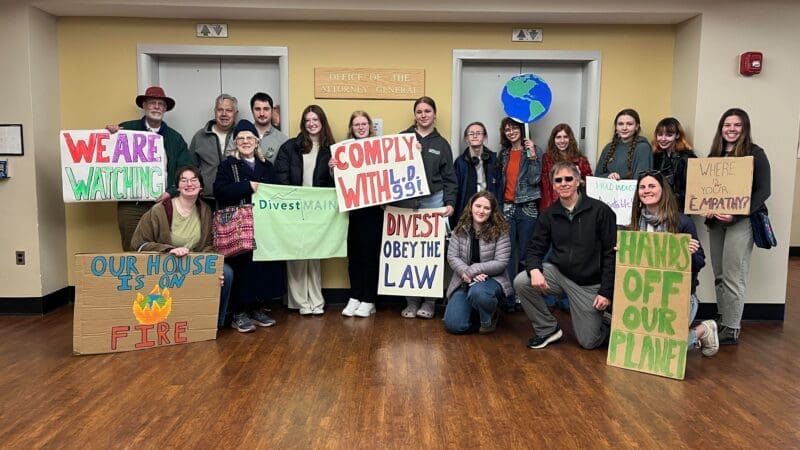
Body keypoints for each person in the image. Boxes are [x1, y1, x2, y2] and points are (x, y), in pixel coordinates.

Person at [513, 161, 616, 350]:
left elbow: (611, 255)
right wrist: (534, 269)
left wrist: (606, 292)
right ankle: (547, 329)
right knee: (522, 281)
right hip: (559, 275)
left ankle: (607, 318)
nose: (564, 183)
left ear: (578, 181)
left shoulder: (601, 211)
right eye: (558, 180)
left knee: (589, 342)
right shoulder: (549, 215)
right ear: (553, 185)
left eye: (568, 178)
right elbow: (535, 248)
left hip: (589, 284)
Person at [628, 170, 719, 356]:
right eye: (642, 187)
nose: (646, 190)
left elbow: (699, 263)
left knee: (666, 350)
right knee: (640, 345)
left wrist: (689, 254)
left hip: (678, 295)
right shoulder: (633, 224)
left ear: (663, 190)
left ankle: (703, 330)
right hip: (645, 296)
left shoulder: (682, 222)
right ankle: (696, 333)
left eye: (652, 186)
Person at [130, 166, 233, 329]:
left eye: (194, 180)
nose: (189, 184)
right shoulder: (159, 210)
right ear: (177, 186)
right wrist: (168, 250)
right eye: (183, 180)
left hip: (194, 264)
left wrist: (211, 267)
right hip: (165, 263)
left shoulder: (205, 210)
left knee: (225, 273)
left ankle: (212, 324)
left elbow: (208, 245)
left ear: (201, 186)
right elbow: (138, 244)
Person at [705, 108, 771, 345]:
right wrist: (708, 206)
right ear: (721, 128)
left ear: (745, 128)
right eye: (727, 125)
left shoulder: (755, 154)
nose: (731, 129)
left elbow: (764, 190)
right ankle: (723, 318)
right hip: (716, 223)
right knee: (719, 273)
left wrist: (735, 213)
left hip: (741, 222)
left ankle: (732, 328)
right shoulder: (715, 156)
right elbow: (706, 190)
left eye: (736, 125)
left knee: (734, 274)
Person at [214, 120, 286, 332]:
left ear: (257, 141)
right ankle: (239, 313)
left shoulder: (267, 166)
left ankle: (256, 308)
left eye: (250, 138)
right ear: (235, 142)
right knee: (242, 268)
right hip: (240, 228)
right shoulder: (228, 166)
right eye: (241, 138)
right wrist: (247, 186)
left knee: (261, 269)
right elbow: (220, 190)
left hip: (264, 227)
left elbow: (277, 192)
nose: (246, 142)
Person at [106, 86, 192, 251]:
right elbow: (104, 155)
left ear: (165, 109)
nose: (157, 107)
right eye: (152, 103)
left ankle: (157, 279)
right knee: (132, 248)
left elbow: (185, 170)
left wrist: (171, 192)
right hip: (131, 204)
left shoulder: (175, 139)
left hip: (162, 203)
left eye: (161, 104)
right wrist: (109, 135)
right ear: (144, 106)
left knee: (163, 249)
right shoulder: (126, 130)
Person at [397, 96, 457, 319]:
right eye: (419, 111)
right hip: (406, 202)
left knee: (431, 253)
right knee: (407, 252)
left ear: (434, 114)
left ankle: (430, 302)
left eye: (427, 111)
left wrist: (450, 203)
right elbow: (388, 172)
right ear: (415, 115)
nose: (423, 115)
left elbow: (450, 178)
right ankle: (411, 302)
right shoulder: (402, 139)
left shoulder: (442, 144)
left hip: (433, 201)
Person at [275, 105, 335, 315]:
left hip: (318, 210)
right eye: (308, 119)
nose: (311, 123)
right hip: (295, 208)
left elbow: (336, 184)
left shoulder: (331, 148)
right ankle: (301, 302)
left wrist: (334, 170)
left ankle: (317, 301)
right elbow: (281, 177)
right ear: (303, 122)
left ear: (322, 122)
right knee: (297, 254)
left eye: (315, 119)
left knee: (315, 253)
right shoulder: (289, 147)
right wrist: (292, 202)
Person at [334, 111, 384, 318]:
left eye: (364, 124)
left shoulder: (379, 149)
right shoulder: (343, 150)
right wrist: (333, 168)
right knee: (353, 255)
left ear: (370, 126)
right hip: (352, 211)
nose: (361, 127)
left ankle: (369, 299)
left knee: (369, 256)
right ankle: (355, 295)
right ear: (352, 127)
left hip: (373, 212)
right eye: (357, 124)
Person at [443, 191, 512, 334]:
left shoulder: (501, 232)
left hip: (491, 280)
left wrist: (473, 270)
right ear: (471, 207)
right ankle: (476, 312)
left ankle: (488, 319)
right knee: (454, 326)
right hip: (464, 280)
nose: (481, 211)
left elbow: (501, 262)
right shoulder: (460, 230)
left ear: (492, 211)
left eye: (486, 208)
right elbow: (452, 257)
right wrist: (467, 273)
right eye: (478, 206)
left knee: (479, 292)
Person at [496, 117, 544, 286]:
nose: (511, 132)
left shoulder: (534, 150)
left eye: (514, 128)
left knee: (526, 253)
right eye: (507, 129)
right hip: (507, 207)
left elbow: (534, 180)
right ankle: (509, 292)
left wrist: (532, 157)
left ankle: (523, 293)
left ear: (522, 129)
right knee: (507, 253)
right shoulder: (504, 154)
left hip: (527, 207)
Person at [189, 94, 238, 209]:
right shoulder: (199, 136)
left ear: (236, 113)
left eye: (229, 110)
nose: (224, 114)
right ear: (215, 111)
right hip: (205, 201)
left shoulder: (242, 137)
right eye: (220, 110)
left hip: (235, 201)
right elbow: (191, 168)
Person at [452, 122, 499, 228]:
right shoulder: (460, 162)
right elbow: (455, 189)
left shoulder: (493, 160)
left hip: (488, 208)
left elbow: (499, 187)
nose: (475, 136)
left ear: (484, 137)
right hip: (466, 209)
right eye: (471, 133)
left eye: (478, 133)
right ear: (466, 138)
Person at [540, 123, 593, 211]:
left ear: (570, 139)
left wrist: (579, 180)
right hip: (553, 204)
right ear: (553, 140)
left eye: (565, 137)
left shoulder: (581, 160)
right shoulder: (546, 159)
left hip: (575, 206)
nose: (562, 141)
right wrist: (548, 210)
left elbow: (590, 185)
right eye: (558, 137)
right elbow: (545, 187)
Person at [651, 117, 697, 211]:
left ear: (677, 135)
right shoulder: (654, 157)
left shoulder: (687, 158)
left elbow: (692, 188)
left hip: (678, 210)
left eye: (668, 135)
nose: (663, 139)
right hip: (656, 208)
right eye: (660, 134)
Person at [595, 108, 653, 180]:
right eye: (620, 124)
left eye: (629, 124)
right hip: (608, 190)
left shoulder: (643, 148)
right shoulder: (608, 148)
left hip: (631, 191)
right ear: (616, 127)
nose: (624, 128)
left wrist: (621, 179)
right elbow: (597, 176)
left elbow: (642, 180)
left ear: (637, 127)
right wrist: (609, 176)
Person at [250, 92, 288, 164]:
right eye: (257, 109)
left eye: (266, 109)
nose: (262, 113)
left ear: (272, 111)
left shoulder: (283, 140)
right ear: (252, 111)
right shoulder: (240, 136)